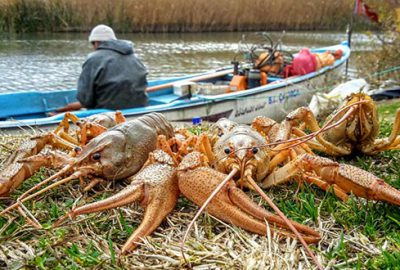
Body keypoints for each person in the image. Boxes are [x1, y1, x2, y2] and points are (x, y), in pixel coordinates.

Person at [54, 24, 148, 114]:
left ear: (96, 42)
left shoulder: (94, 58)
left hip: (107, 113)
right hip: (140, 107)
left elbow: (84, 99)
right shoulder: (134, 57)